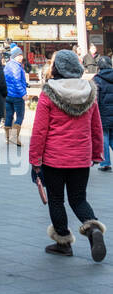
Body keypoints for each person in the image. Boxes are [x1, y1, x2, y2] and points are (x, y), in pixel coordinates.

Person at [29, 48, 106, 261]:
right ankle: (93, 230)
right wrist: (97, 153)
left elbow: (40, 130)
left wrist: (35, 159)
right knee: (78, 199)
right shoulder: (90, 90)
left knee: (56, 199)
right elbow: (96, 126)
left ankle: (63, 242)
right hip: (81, 157)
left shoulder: (49, 92)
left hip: (54, 158)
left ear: (57, 68)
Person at [4, 49, 28, 151]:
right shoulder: (17, 67)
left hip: (8, 95)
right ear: (14, 56)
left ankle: (9, 138)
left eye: (21, 55)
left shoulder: (7, 65)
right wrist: (23, 93)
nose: (21, 57)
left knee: (9, 116)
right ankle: (14, 138)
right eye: (19, 55)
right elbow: (17, 81)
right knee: (20, 116)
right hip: (17, 96)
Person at [94, 55, 113, 171]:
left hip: (103, 114)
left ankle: (105, 163)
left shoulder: (96, 79)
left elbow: (94, 99)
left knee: (104, 137)